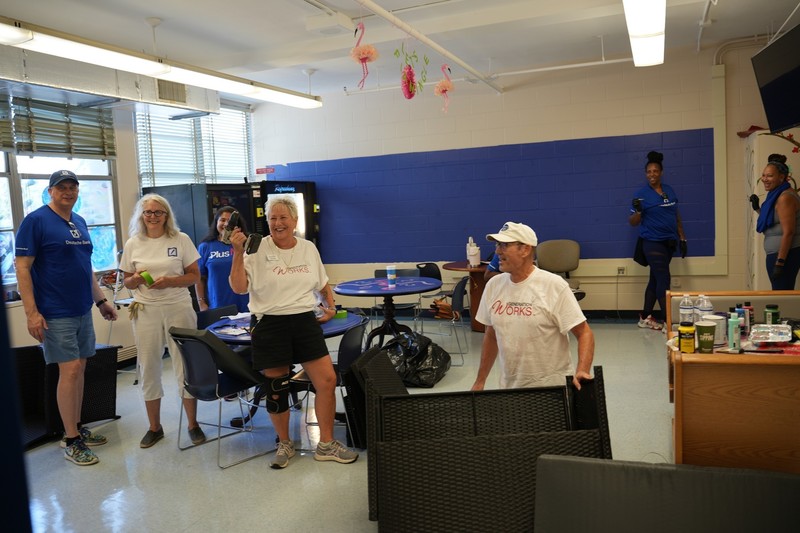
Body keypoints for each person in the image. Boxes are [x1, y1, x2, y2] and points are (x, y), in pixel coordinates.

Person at [229, 195, 358, 469]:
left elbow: (322, 283)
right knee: (277, 388)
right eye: (273, 218)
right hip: (270, 323)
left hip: (304, 321)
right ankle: (284, 443)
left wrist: (330, 306)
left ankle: (325, 444)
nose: (278, 223)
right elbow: (239, 287)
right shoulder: (255, 249)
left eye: (283, 218)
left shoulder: (308, 248)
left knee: (326, 380)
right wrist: (238, 253)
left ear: (295, 221)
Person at [15, 170, 118, 466]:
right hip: (54, 312)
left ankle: (76, 427)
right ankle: (70, 439)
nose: (68, 191)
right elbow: (22, 269)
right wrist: (31, 313)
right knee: (70, 369)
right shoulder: (35, 221)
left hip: (81, 308)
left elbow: (85, 268)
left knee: (80, 368)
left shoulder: (80, 221)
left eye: (73, 187)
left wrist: (100, 301)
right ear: (50, 191)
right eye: (62, 187)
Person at [119, 194, 206, 449]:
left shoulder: (181, 240)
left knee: (186, 365)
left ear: (167, 216)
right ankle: (154, 427)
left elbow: (193, 276)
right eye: (148, 212)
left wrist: (169, 281)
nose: (153, 217)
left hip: (178, 307)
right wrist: (134, 281)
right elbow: (126, 280)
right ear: (141, 216)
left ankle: (193, 424)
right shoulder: (134, 243)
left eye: (159, 212)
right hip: (146, 309)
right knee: (148, 366)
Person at [471, 222, 594, 391]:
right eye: (498, 244)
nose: (498, 251)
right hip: (509, 389)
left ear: (525, 249)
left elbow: (584, 333)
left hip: (552, 391)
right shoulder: (494, 285)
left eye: (505, 245)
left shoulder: (554, 286)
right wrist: (480, 381)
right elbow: (491, 336)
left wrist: (582, 370)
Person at [629, 151, 687, 330]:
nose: (652, 174)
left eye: (655, 171)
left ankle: (645, 316)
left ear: (661, 172)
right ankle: (667, 321)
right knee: (664, 278)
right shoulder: (641, 194)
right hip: (652, 242)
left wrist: (682, 237)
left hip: (669, 242)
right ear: (646, 174)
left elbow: (675, 214)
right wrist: (639, 211)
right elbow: (632, 223)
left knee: (655, 279)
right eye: (649, 172)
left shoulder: (669, 190)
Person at [751, 154, 800, 290]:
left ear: (781, 177)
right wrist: (757, 209)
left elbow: (789, 232)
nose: (765, 179)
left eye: (770, 176)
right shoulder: (776, 194)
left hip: (785, 255)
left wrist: (780, 261)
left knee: (782, 295)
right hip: (776, 253)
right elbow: (774, 221)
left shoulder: (785, 198)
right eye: (763, 175)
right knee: (780, 293)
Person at [196, 206, 250, 313]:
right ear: (216, 222)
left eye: (230, 221)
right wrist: (201, 303)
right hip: (218, 306)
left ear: (238, 226)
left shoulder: (247, 244)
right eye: (222, 220)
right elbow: (199, 278)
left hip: (247, 305)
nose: (226, 224)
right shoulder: (206, 246)